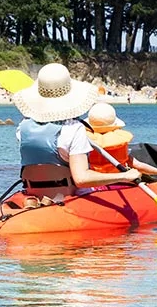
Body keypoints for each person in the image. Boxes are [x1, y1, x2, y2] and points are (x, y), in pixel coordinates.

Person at [12, 64, 141, 203]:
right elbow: (81, 179)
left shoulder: (22, 128)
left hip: (33, 192)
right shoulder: (74, 129)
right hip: (68, 194)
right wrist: (125, 176)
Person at [82, 102, 157, 180]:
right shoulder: (118, 143)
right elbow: (137, 165)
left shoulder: (83, 141)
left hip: (94, 184)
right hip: (119, 181)